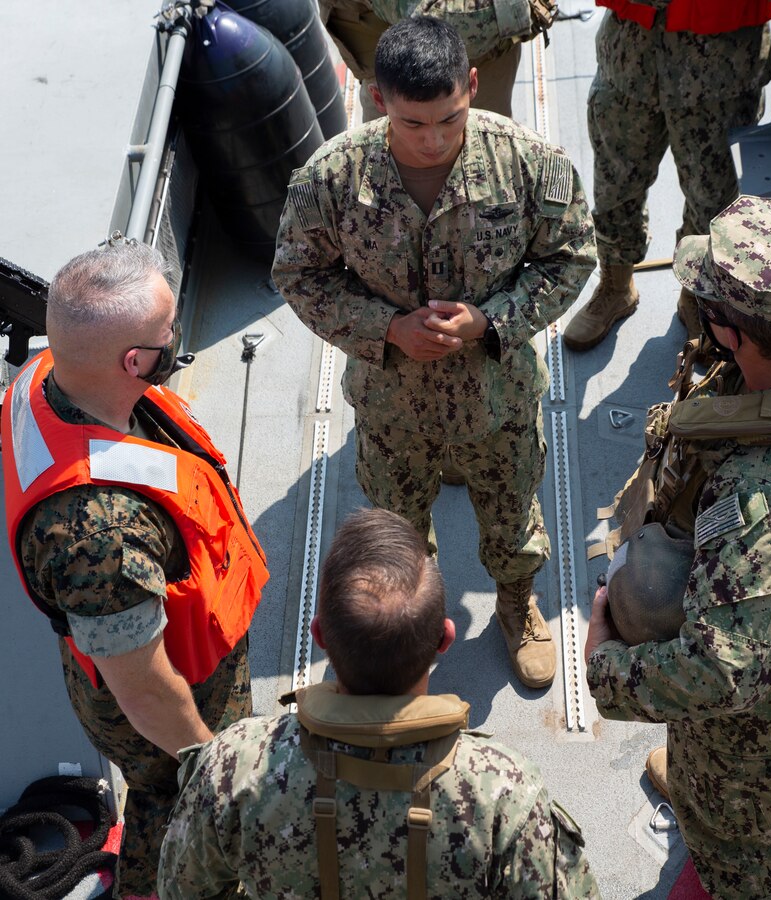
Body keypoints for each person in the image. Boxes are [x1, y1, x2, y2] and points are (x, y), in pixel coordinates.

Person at [582, 194, 771, 898]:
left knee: (748, 848)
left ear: (733, 332)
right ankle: (712, 776)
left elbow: (724, 676)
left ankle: (733, 826)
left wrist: (605, 667)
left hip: (753, 711)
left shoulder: (759, 500)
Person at [272, 17, 596, 690]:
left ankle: (516, 605)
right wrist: (386, 328)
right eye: (413, 123)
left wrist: (491, 320)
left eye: (449, 118)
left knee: (513, 514)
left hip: (497, 395)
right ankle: (408, 628)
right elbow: (298, 275)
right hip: (395, 407)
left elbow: (570, 257)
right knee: (397, 534)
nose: (434, 140)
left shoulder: (528, 164)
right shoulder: (332, 179)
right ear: (378, 98)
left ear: (473, 85)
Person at [1, 241, 269, 900]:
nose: (176, 339)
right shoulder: (99, 539)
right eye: (168, 333)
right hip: (173, 693)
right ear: (135, 361)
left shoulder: (47, 377)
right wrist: (212, 764)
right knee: (173, 795)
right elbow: (145, 690)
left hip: (150, 640)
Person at [157, 507, 600, 899]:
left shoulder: (234, 769)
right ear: (445, 638)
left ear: (319, 637)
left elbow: (181, 888)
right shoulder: (505, 795)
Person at [563, 0, 771, 352]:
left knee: (714, 199)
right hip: (631, 56)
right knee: (615, 184)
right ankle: (615, 285)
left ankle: (698, 295)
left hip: (718, 70)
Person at [319, 0, 556, 122]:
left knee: (487, 177)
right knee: (398, 191)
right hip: (403, 82)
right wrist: (523, 11)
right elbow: (443, 21)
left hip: (478, 76)